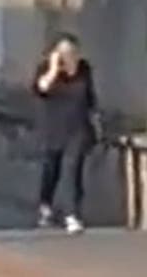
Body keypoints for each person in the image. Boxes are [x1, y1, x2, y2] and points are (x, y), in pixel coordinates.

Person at [34, 33, 98, 234]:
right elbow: (41, 88)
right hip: (53, 128)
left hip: (78, 128)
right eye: (63, 52)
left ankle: (72, 214)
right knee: (51, 169)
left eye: (72, 52)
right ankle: (46, 205)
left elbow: (90, 97)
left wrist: (95, 120)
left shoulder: (84, 70)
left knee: (73, 169)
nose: (68, 56)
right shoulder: (46, 69)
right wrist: (54, 69)